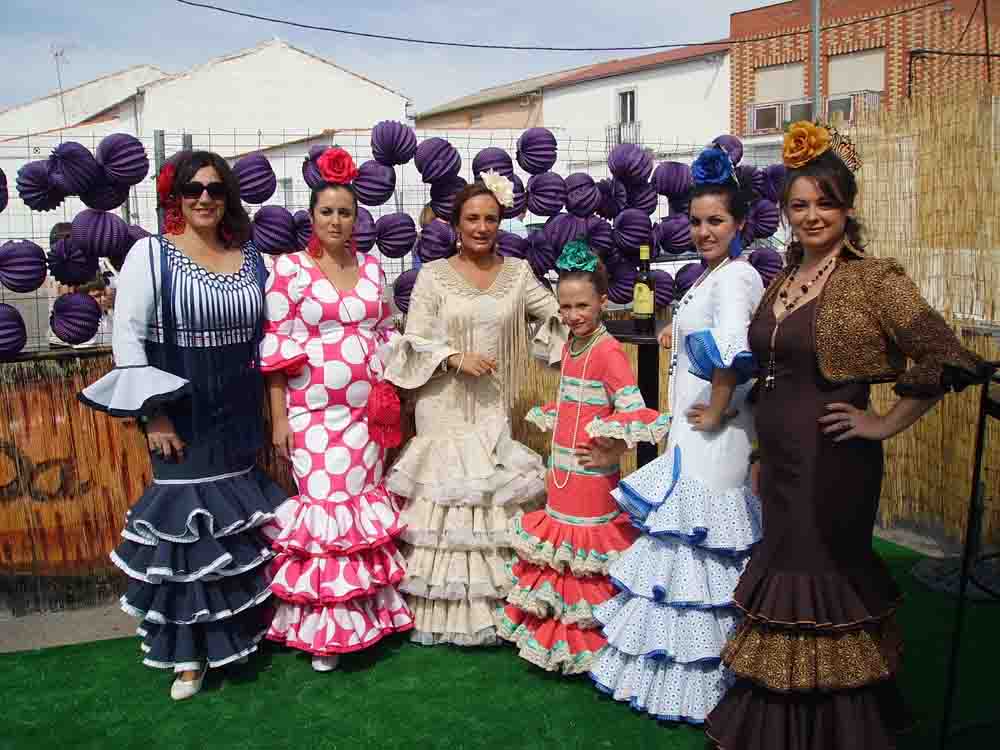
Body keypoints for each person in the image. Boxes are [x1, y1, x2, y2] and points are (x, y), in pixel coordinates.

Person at [705, 122, 987, 750]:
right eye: (799, 205)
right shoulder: (781, 275)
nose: (811, 216)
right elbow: (775, 371)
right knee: (783, 573)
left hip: (833, 464)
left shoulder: (872, 278)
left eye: (825, 203)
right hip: (779, 461)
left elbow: (941, 354)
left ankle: (839, 730)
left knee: (819, 580)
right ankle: (779, 727)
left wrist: (883, 422)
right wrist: (756, 449)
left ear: (848, 207)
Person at [79, 150, 285, 700]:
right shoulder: (151, 255)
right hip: (181, 411)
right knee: (187, 531)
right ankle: (187, 658)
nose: (204, 199)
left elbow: (274, 338)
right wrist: (153, 414)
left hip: (240, 410)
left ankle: (237, 637)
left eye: (216, 190)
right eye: (193, 189)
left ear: (229, 198)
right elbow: (128, 336)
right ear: (174, 197)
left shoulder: (253, 259)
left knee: (235, 529)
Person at [589, 143, 764, 723]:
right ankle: (681, 676)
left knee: (704, 548)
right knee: (688, 552)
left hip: (715, 438)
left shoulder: (736, 276)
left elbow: (737, 350)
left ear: (739, 223)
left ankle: (709, 677)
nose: (704, 230)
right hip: (699, 434)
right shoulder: (716, 274)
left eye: (716, 220)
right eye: (696, 221)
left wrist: (716, 407)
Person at [384, 173, 567, 647]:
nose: (482, 227)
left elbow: (555, 315)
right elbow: (414, 339)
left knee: (488, 499)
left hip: (492, 403)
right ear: (455, 224)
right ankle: (437, 612)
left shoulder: (518, 274)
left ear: (501, 222)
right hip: (441, 402)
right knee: (446, 500)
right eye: (473, 218)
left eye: (491, 218)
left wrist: (581, 322)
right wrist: (452, 357)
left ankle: (499, 610)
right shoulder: (433, 275)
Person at [260, 147, 413, 671]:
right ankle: (326, 630)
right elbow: (277, 345)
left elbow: (387, 332)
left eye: (345, 212)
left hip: (367, 414)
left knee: (362, 513)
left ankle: (370, 617)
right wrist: (280, 418)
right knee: (326, 515)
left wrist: (390, 389)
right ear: (312, 216)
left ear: (356, 219)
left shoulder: (373, 268)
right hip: (313, 416)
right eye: (327, 211)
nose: (336, 220)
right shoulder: (288, 271)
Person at [499, 240, 668, 673]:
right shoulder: (571, 345)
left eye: (583, 306)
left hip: (592, 477)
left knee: (586, 556)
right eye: (566, 306)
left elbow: (632, 405)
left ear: (603, 302)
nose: (574, 315)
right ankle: (557, 639)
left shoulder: (607, 349)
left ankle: (591, 644)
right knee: (561, 552)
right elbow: (579, 403)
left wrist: (612, 445)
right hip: (563, 471)